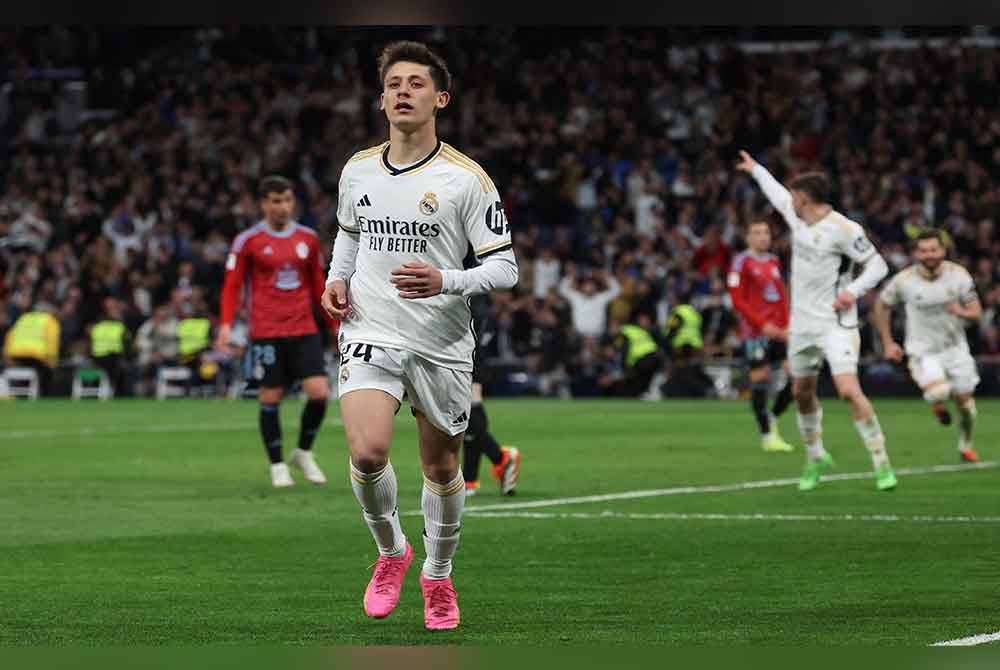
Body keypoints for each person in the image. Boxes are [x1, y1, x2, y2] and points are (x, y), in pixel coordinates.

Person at [321, 41, 518, 631]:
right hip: (370, 328)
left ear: (441, 98)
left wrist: (445, 279)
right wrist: (336, 277)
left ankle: (437, 574)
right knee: (367, 450)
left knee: (440, 468)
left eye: (416, 83)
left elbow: (505, 268)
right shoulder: (357, 168)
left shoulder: (466, 180)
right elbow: (350, 233)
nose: (403, 91)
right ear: (382, 99)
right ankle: (390, 554)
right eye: (394, 84)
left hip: (439, 341)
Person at [736, 150, 897, 492]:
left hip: (836, 323)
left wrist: (852, 291)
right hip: (802, 325)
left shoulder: (844, 228)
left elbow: (878, 265)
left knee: (848, 391)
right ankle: (815, 456)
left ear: (805, 198)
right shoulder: (797, 219)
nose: (790, 200)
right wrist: (756, 170)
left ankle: (881, 463)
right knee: (801, 391)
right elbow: (776, 193)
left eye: (795, 196)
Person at [216, 175, 338, 489]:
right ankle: (277, 465)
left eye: (286, 200)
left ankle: (303, 452)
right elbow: (232, 286)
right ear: (263, 204)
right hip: (267, 330)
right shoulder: (248, 241)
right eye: (275, 201)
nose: (282, 207)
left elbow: (318, 286)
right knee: (271, 396)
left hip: (303, 328)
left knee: (319, 393)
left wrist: (334, 326)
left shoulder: (308, 239)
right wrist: (227, 324)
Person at [871, 228, 983, 462]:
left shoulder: (959, 275)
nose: (929, 254)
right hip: (923, 351)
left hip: (956, 349)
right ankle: (937, 403)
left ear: (942, 250)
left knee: (966, 406)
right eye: (923, 251)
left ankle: (965, 446)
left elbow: (976, 313)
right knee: (939, 391)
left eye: (933, 249)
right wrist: (888, 342)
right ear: (916, 254)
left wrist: (960, 311)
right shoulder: (904, 280)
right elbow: (881, 305)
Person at [726, 221, 795, 453]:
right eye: (757, 233)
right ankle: (767, 436)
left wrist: (787, 325)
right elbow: (737, 299)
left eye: (766, 232)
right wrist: (761, 324)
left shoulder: (774, 261)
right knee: (760, 380)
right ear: (747, 238)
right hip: (755, 333)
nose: (763, 237)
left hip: (780, 330)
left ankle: (772, 418)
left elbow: (782, 296)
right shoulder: (741, 262)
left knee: (797, 378)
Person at [463, 294, 521, 498]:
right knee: (469, 411)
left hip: (462, 356)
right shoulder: (479, 301)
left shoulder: (472, 301)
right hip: (470, 356)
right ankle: (469, 479)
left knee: (462, 416)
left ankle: (501, 458)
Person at [2, 303, 60, 395]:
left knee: (23, 374)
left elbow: (10, 335)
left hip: (16, 353)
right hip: (37, 354)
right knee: (46, 374)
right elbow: (51, 341)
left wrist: (7, 355)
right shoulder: (50, 320)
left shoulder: (24, 318)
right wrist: (52, 363)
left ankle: (20, 393)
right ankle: (42, 395)